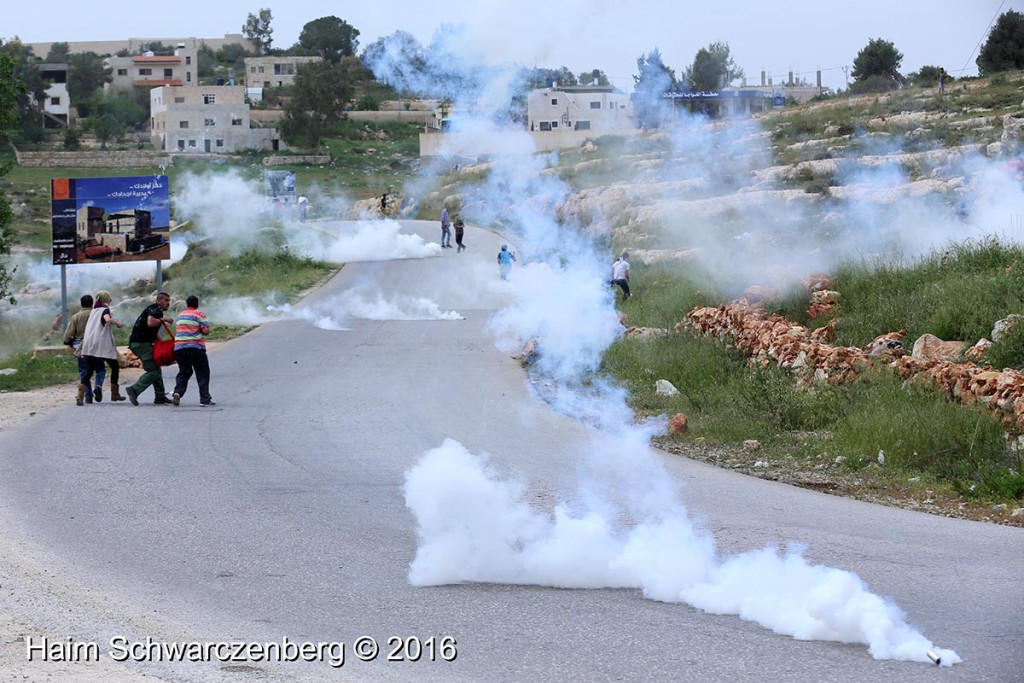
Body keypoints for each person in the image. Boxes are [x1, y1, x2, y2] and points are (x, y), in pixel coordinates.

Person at [125, 292, 174, 406]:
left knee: (156, 368)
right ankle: (134, 389)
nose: (168, 303)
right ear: (159, 301)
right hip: (141, 344)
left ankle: (160, 396)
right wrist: (164, 319)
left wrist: (164, 347)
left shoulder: (155, 310)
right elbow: (151, 323)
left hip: (140, 343)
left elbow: (154, 332)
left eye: (168, 300)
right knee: (153, 371)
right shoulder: (156, 309)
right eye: (166, 300)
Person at [79, 290, 126, 403]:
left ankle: (79, 395)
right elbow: (107, 319)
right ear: (106, 300)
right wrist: (117, 323)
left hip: (90, 344)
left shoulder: (94, 311)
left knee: (90, 370)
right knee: (114, 367)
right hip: (101, 344)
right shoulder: (105, 310)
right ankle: (114, 394)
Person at [172, 295, 215, 407]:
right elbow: (205, 331)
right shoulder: (200, 314)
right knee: (202, 372)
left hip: (179, 348)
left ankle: (177, 392)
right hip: (195, 347)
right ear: (197, 304)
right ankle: (205, 399)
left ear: (187, 304)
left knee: (184, 371)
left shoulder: (180, 315)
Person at [63, 294, 104, 405]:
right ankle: (98, 386)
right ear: (92, 304)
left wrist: (67, 341)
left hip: (80, 345)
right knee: (100, 368)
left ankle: (88, 395)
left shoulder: (75, 317)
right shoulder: (96, 315)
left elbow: (69, 334)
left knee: (84, 370)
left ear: (81, 304)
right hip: (95, 345)